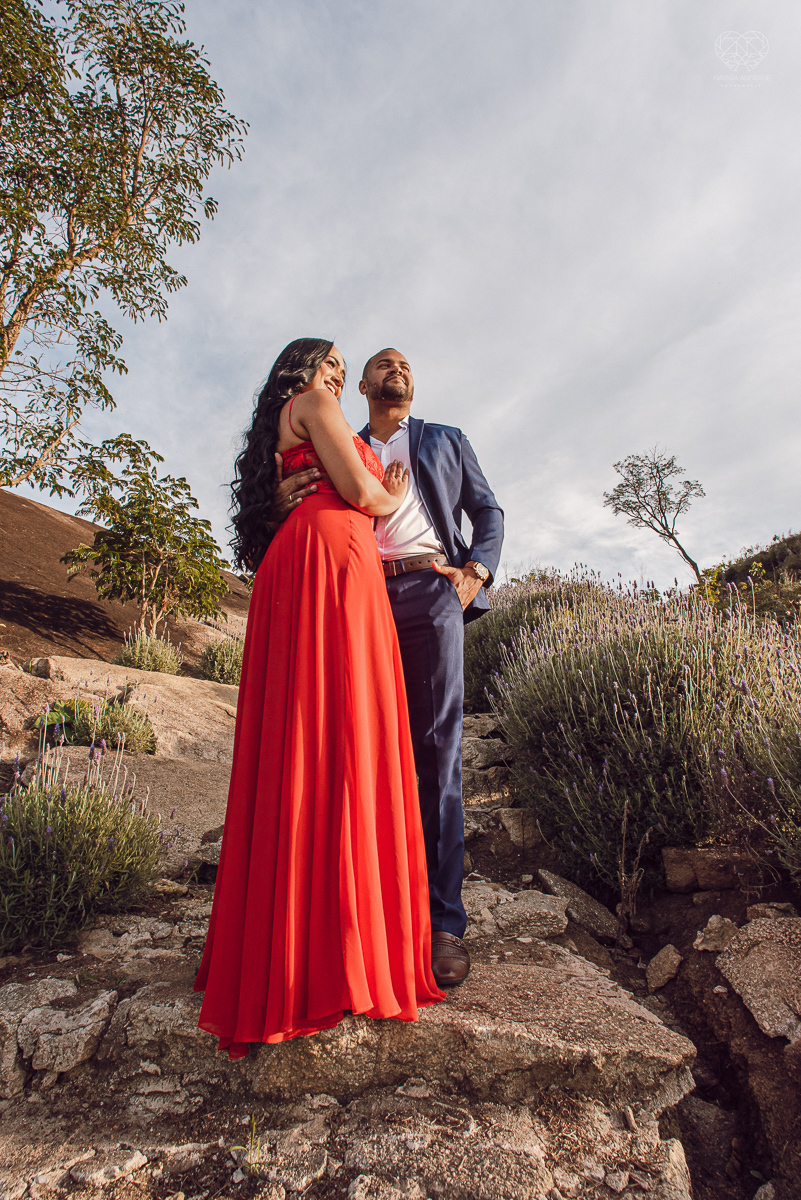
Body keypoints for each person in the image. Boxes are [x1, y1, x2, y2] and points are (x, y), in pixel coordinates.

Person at [194, 338, 444, 1057]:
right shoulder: (314, 404)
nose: (336, 374)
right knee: (337, 736)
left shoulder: (284, 423)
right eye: (330, 362)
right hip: (331, 564)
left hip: (310, 562)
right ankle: (336, 953)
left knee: (307, 739)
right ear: (300, 370)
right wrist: (389, 491)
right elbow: (365, 496)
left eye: (341, 368)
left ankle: (293, 947)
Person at [275, 348, 504, 988]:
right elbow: (300, 491)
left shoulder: (446, 440)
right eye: (382, 364)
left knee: (436, 749)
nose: (394, 370)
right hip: (357, 597)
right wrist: (282, 492)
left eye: (404, 365)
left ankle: (442, 926)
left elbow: (489, 512)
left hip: (430, 593)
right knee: (359, 754)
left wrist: (475, 571)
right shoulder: (335, 437)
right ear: (363, 387)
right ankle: (369, 919)